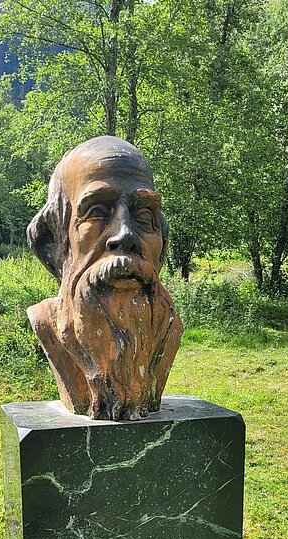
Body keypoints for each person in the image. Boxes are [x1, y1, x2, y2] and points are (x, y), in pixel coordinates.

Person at [27, 136, 183, 420]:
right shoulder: (44, 321)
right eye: (97, 211)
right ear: (55, 243)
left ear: (162, 244)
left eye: (144, 214)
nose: (124, 235)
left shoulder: (169, 328)